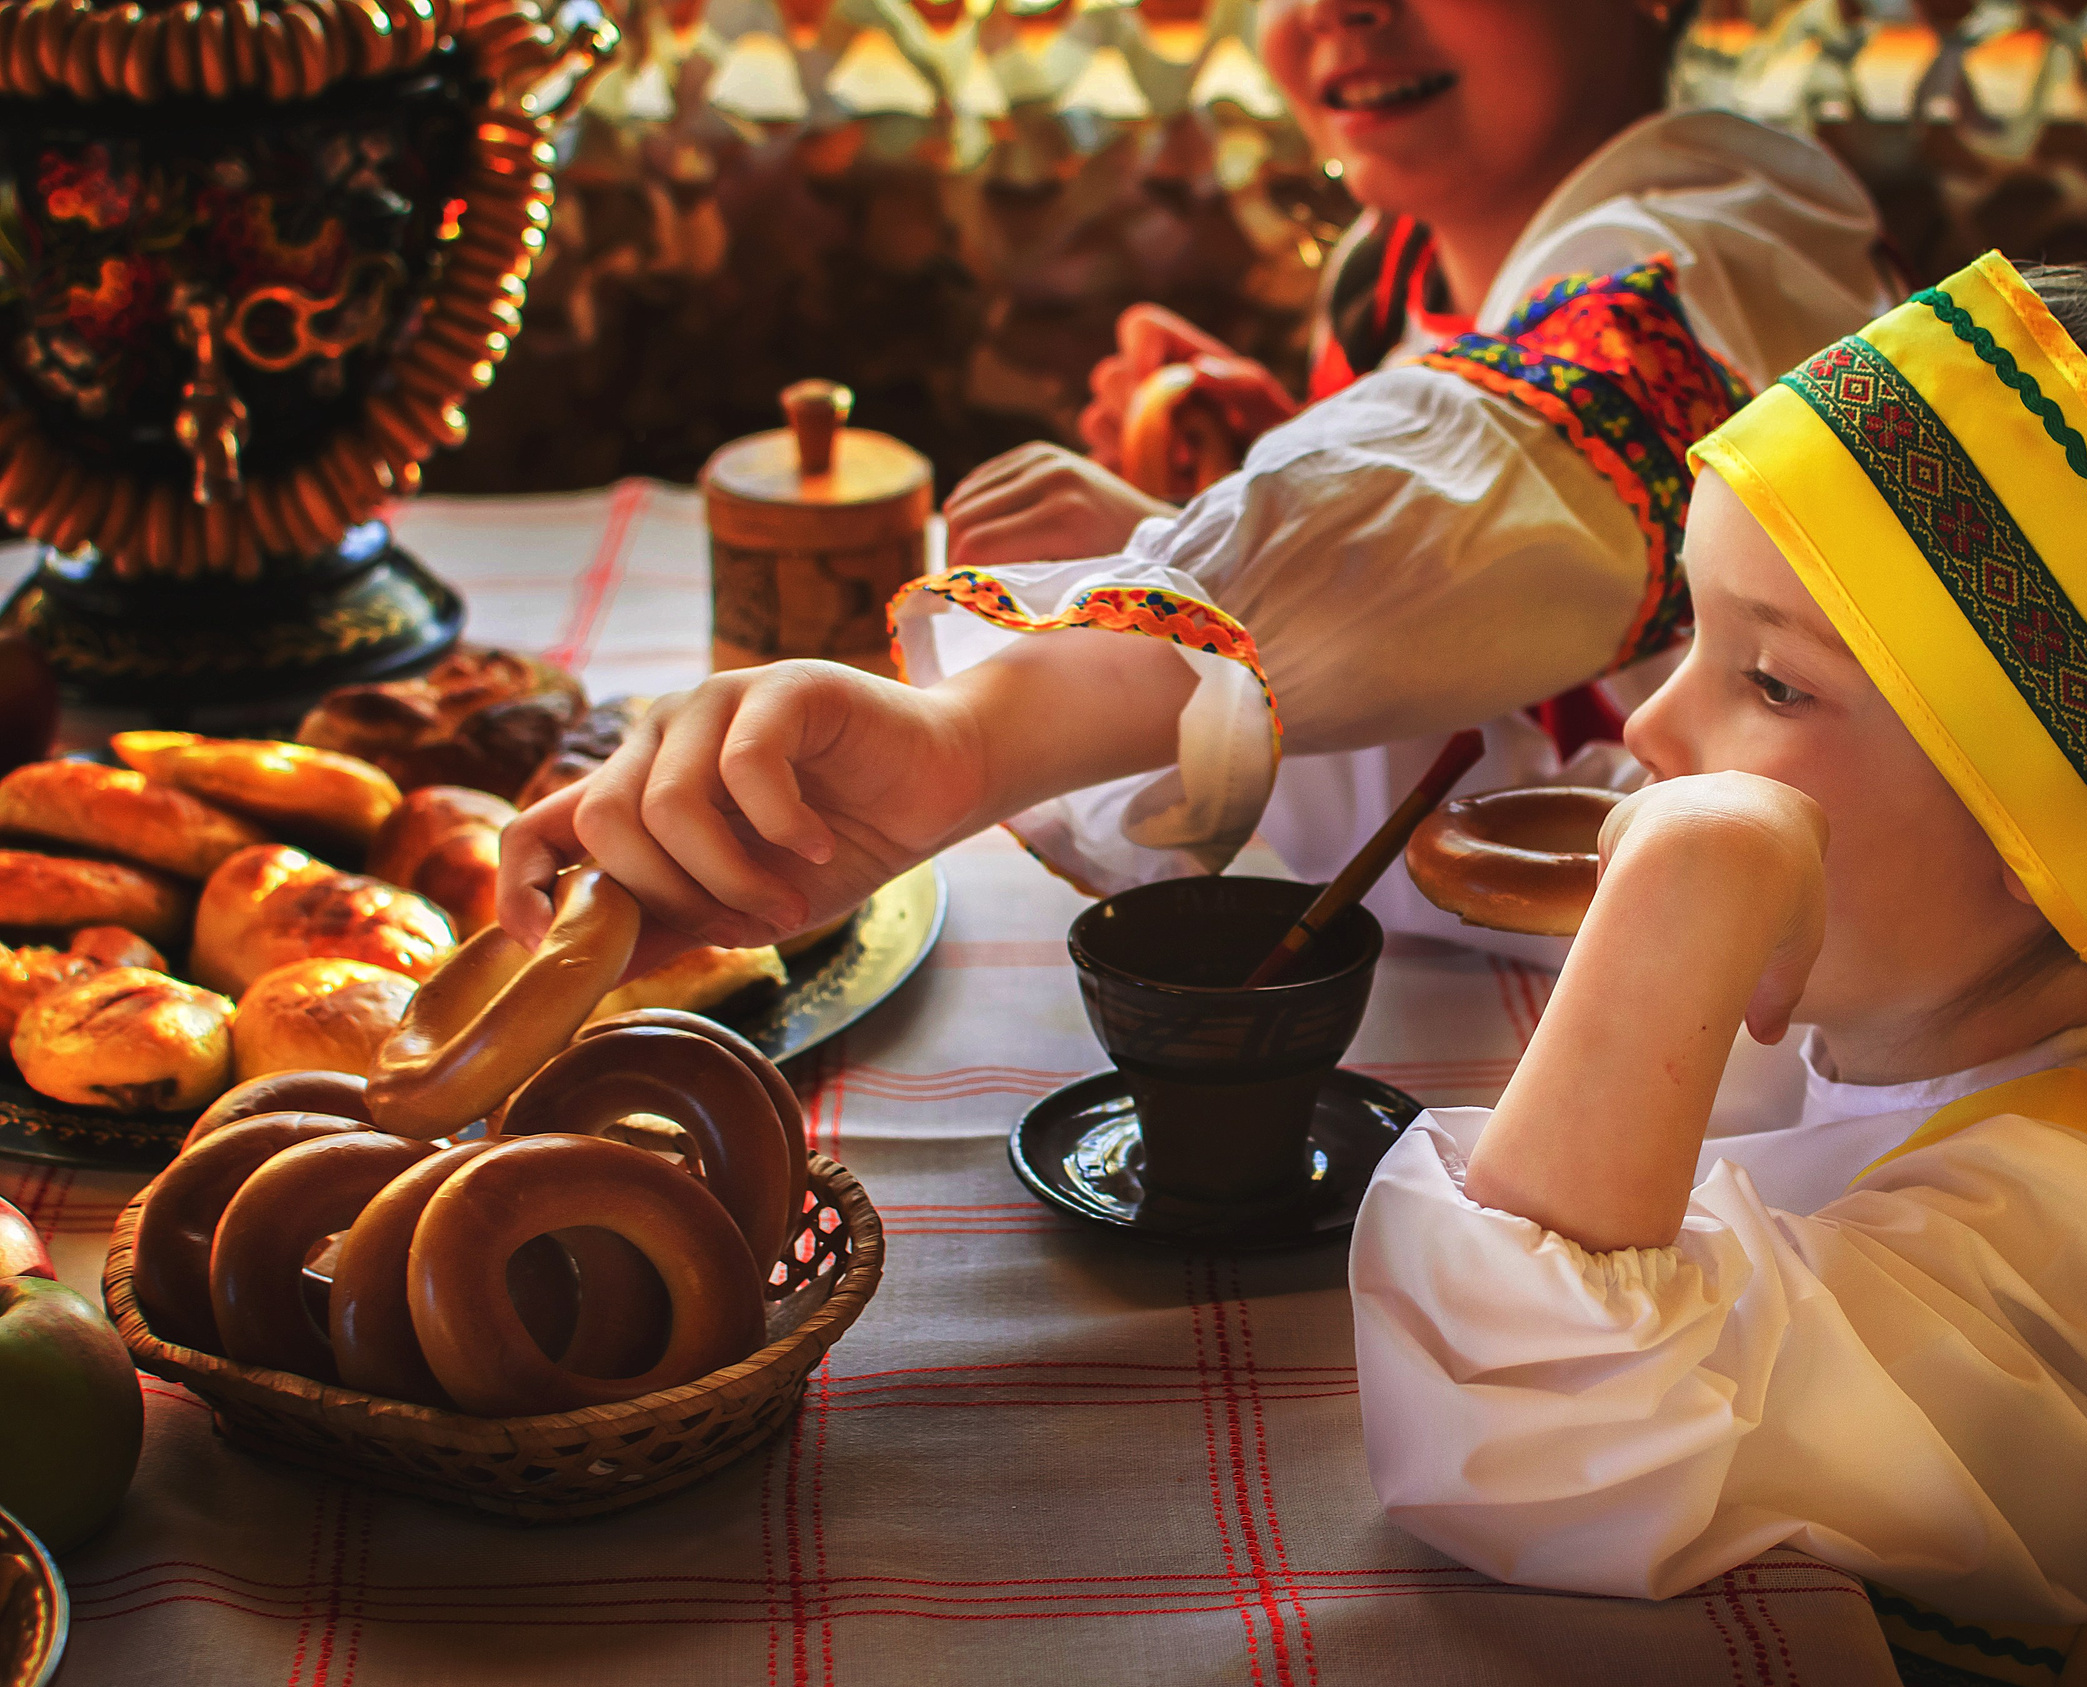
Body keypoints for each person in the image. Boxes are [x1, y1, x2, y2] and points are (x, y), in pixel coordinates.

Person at [1344, 255, 2087, 1687]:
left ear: (2049, 834)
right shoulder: (1927, 993)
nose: (1651, 724)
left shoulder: (2085, 1264)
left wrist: (1684, 889)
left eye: (1771, 684)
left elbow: (1517, 1432)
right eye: (1697, 637)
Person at [519, 0, 1896, 967]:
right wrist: (1223, 493)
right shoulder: (1397, 263)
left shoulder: (1725, 248)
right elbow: (1460, 538)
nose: (1346, 10)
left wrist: (978, 734)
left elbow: (1493, 482)